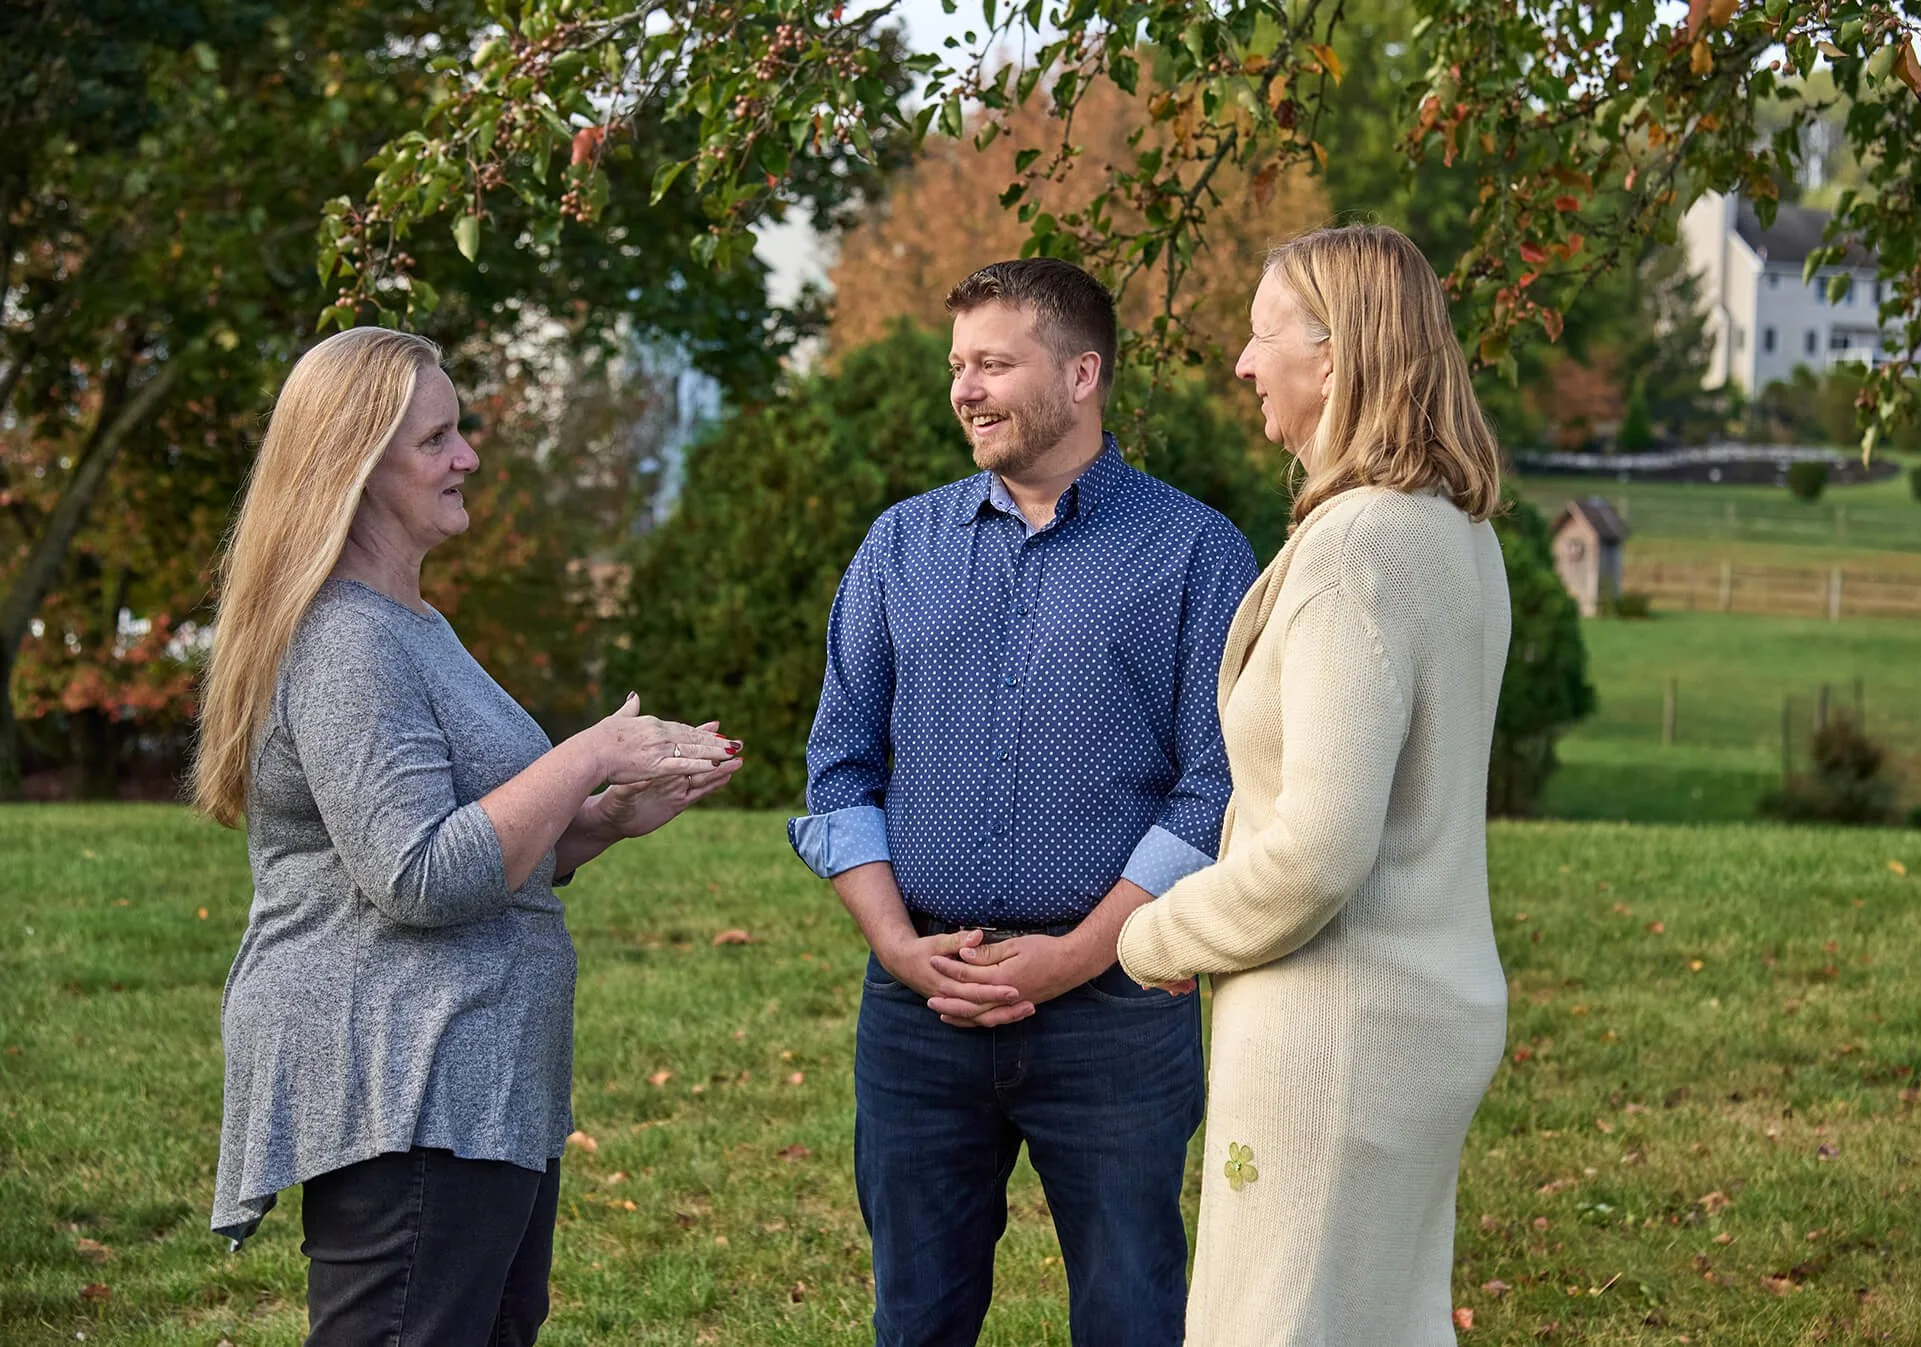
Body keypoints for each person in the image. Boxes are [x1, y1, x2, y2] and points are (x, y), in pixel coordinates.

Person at [191, 326, 741, 1345]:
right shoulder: (349, 641)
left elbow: (478, 845)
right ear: (355, 469)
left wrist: (607, 821)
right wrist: (586, 756)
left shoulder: (412, 625)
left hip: (475, 1088)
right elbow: (418, 876)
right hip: (406, 1087)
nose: (468, 456)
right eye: (436, 438)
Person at [787, 258, 1258, 1346]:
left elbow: (1214, 783)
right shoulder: (898, 547)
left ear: (1081, 372)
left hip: (1115, 1008)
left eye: (994, 364)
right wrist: (900, 949)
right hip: (918, 1007)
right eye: (958, 366)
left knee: (1132, 1307)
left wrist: (1082, 953)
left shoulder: (1194, 552)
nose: (966, 390)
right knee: (916, 1315)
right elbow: (839, 766)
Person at [1115, 224, 1512, 1346]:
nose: (1241, 363)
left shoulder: (1355, 553)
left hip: (1336, 1028)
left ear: (1334, 357)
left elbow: (1321, 847)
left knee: (1275, 1324)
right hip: (1418, 1016)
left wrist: (1156, 937)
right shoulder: (1452, 534)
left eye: (1261, 333)